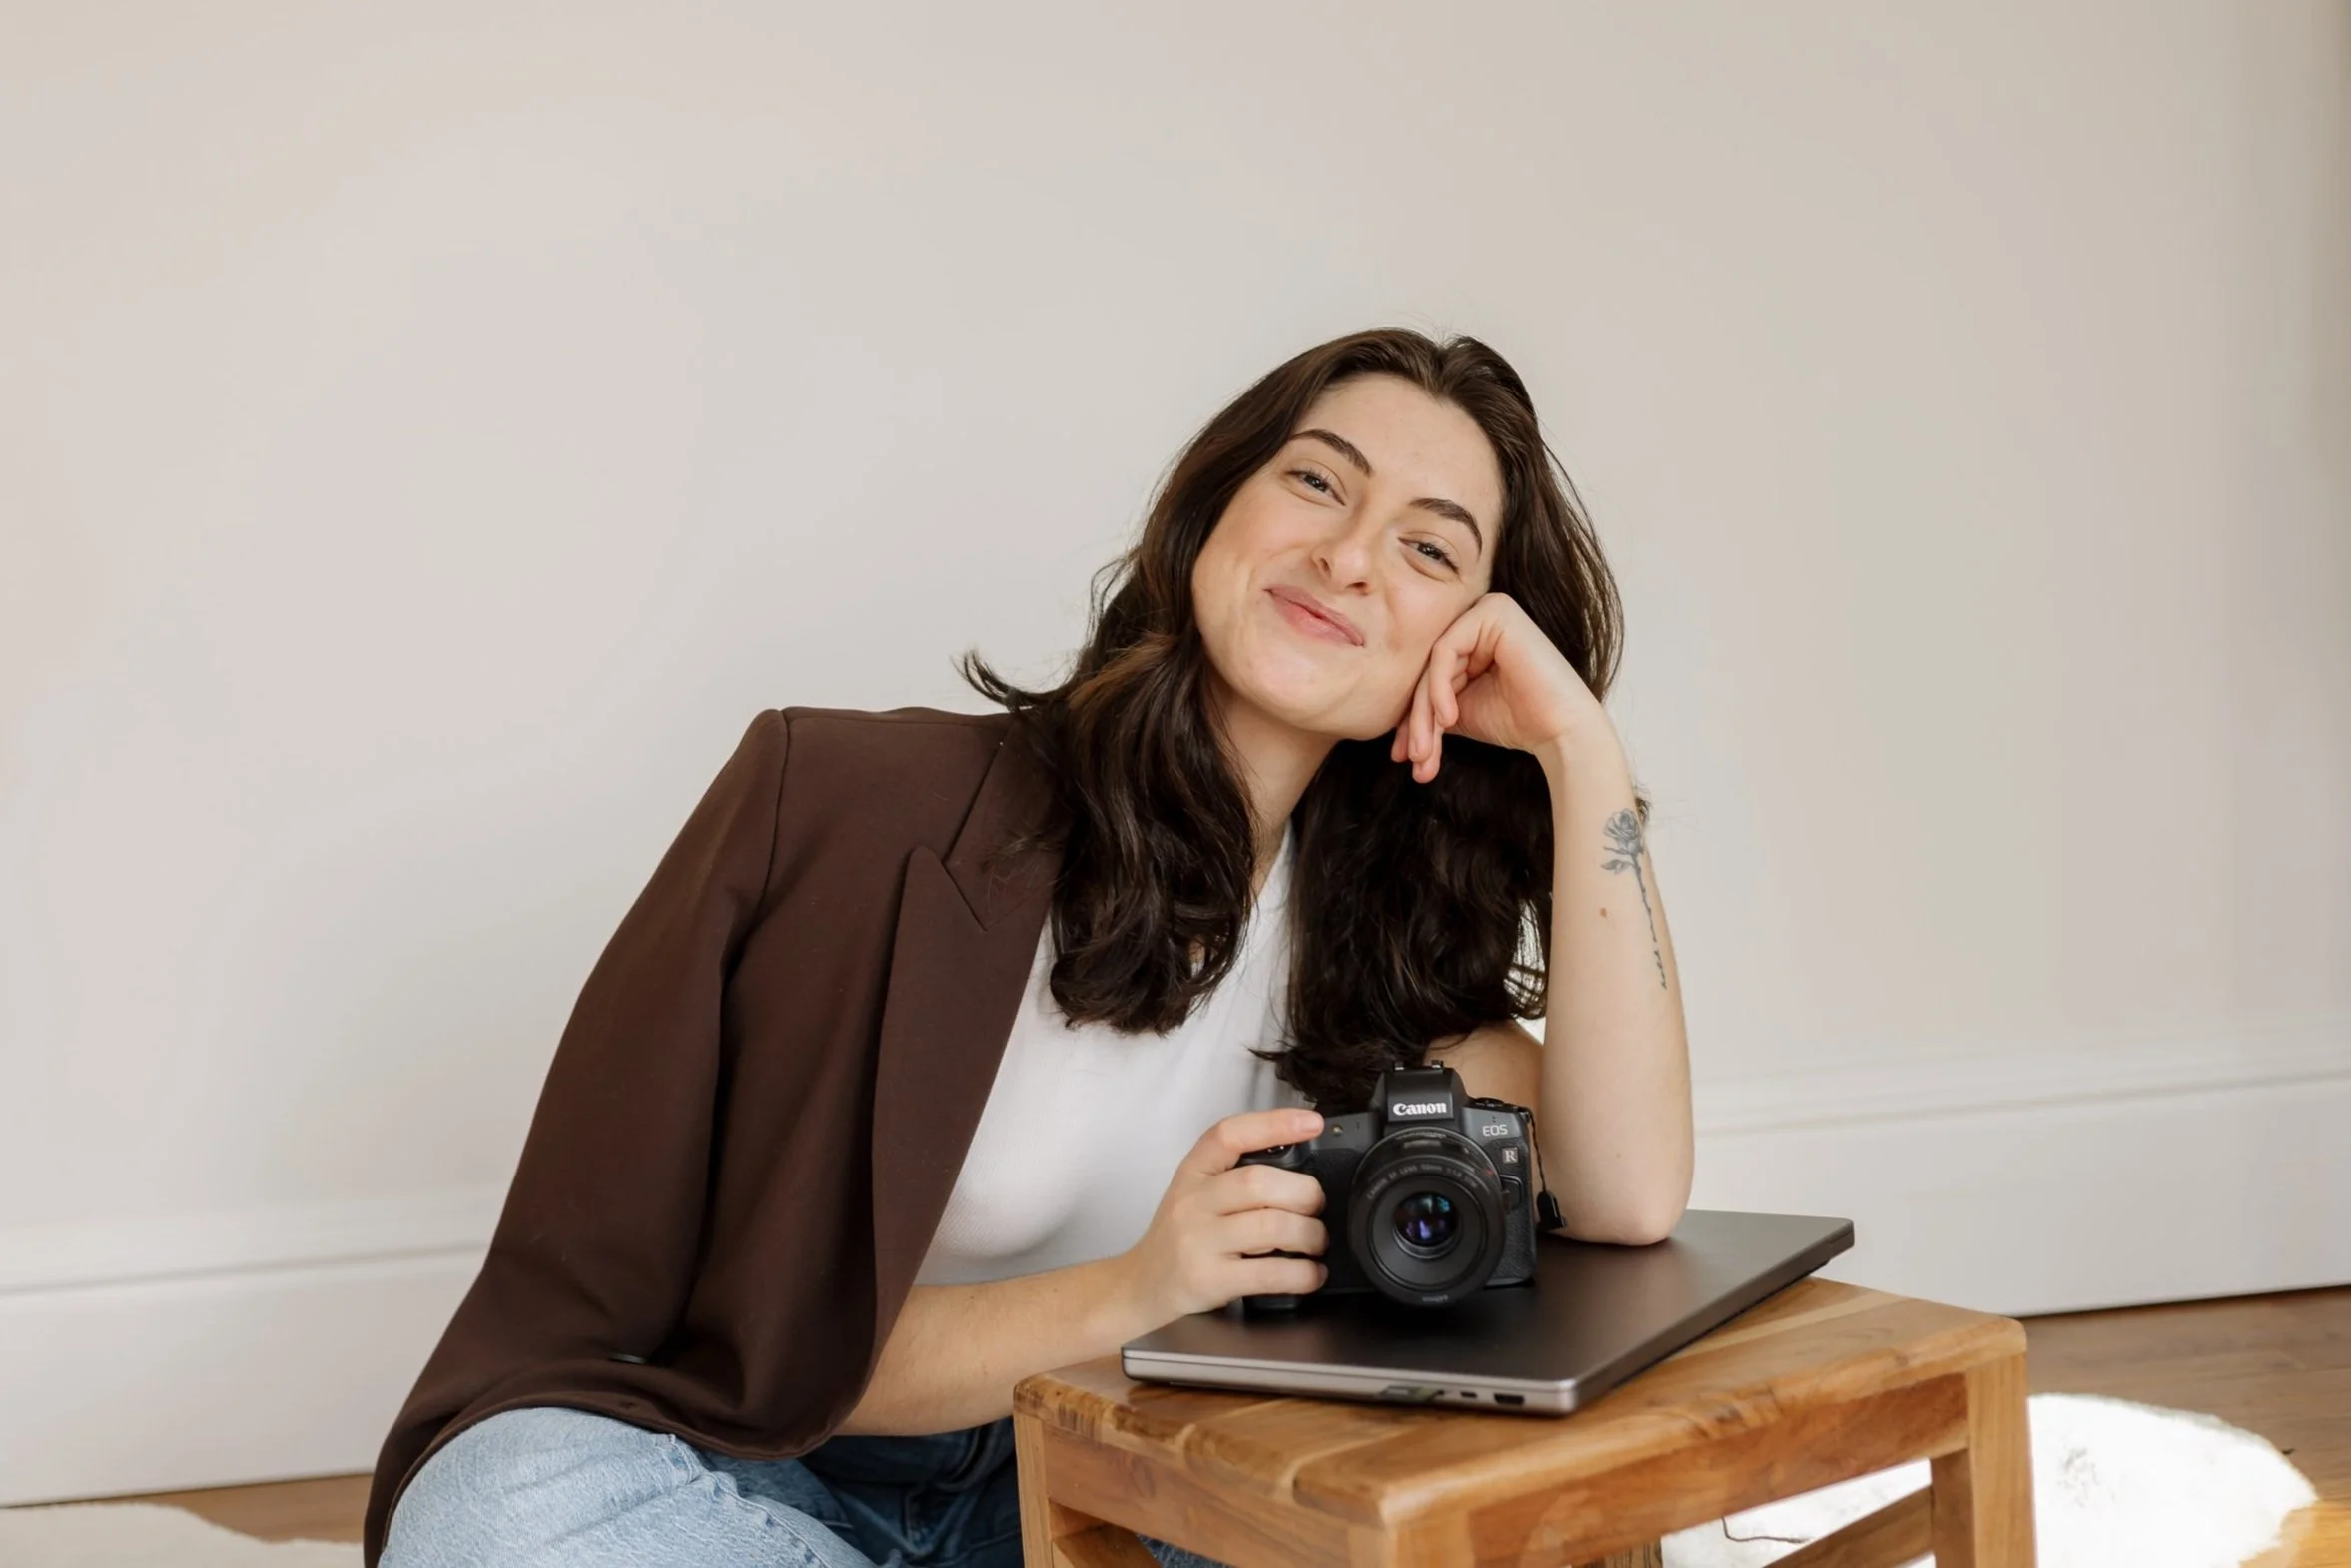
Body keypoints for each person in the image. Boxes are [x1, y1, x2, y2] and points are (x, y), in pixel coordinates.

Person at [367, 327, 1693, 1568]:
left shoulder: (1379, 965)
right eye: (1315, 482)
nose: (1349, 557)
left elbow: (1627, 1196)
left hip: (1105, 1498)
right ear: (1209, 514)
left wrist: (1586, 757)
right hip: (750, 1475)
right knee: (498, 1514)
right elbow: (734, 1347)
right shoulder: (845, 803)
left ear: (1462, 643)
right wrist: (1138, 1289)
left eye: (1429, 550)